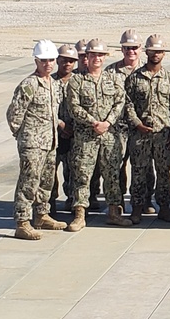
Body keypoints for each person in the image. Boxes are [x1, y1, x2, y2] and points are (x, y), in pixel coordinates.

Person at [65, 39, 129, 231]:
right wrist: (93, 122)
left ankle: (114, 212)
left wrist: (107, 123)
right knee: (82, 174)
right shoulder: (77, 80)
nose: (97, 59)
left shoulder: (113, 79)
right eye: (93, 55)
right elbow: (73, 106)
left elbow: (120, 102)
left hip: (109, 136)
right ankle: (79, 214)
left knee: (112, 174)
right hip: (86, 136)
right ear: (87, 57)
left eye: (100, 55)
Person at [6, 40, 67, 239]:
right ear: (36, 61)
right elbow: (14, 114)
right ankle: (22, 222)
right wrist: (22, 136)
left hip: (50, 141)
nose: (48, 64)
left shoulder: (54, 84)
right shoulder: (29, 85)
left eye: (51, 60)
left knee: (46, 181)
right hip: (33, 143)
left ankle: (42, 214)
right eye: (43, 60)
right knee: (28, 181)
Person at [124, 34, 170, 222]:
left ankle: (164, 206)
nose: (156, 54)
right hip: (140, 134)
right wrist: (136, 123)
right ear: (147, 52)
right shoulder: (134, 78)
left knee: (164, 171)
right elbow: (127, 104)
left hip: (163, 135)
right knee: (139, 171)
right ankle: (137, 207)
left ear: (164, 54)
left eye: (159, 51)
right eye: (152, 51)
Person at [103, 29, 143, 211]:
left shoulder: (147, 70)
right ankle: (116, 202)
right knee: (116, 167)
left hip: (141, 128)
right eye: (127, 48)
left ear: (140, 48)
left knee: (142, 167)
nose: (131, 51)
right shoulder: (110, 72)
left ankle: (143, 201)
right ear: (122, 49)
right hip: (117, 127)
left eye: (134, 47)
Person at [49, 43, 77, 212]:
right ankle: (50, 202)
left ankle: (72, 200)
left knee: (73, 169)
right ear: (57, 60)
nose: (67, 64)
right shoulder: (49, 81)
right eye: (64, 60)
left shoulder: (79, 81)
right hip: (54, 132)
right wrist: (60, 123)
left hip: (74, 132)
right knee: (50, 169)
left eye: (71, 61)